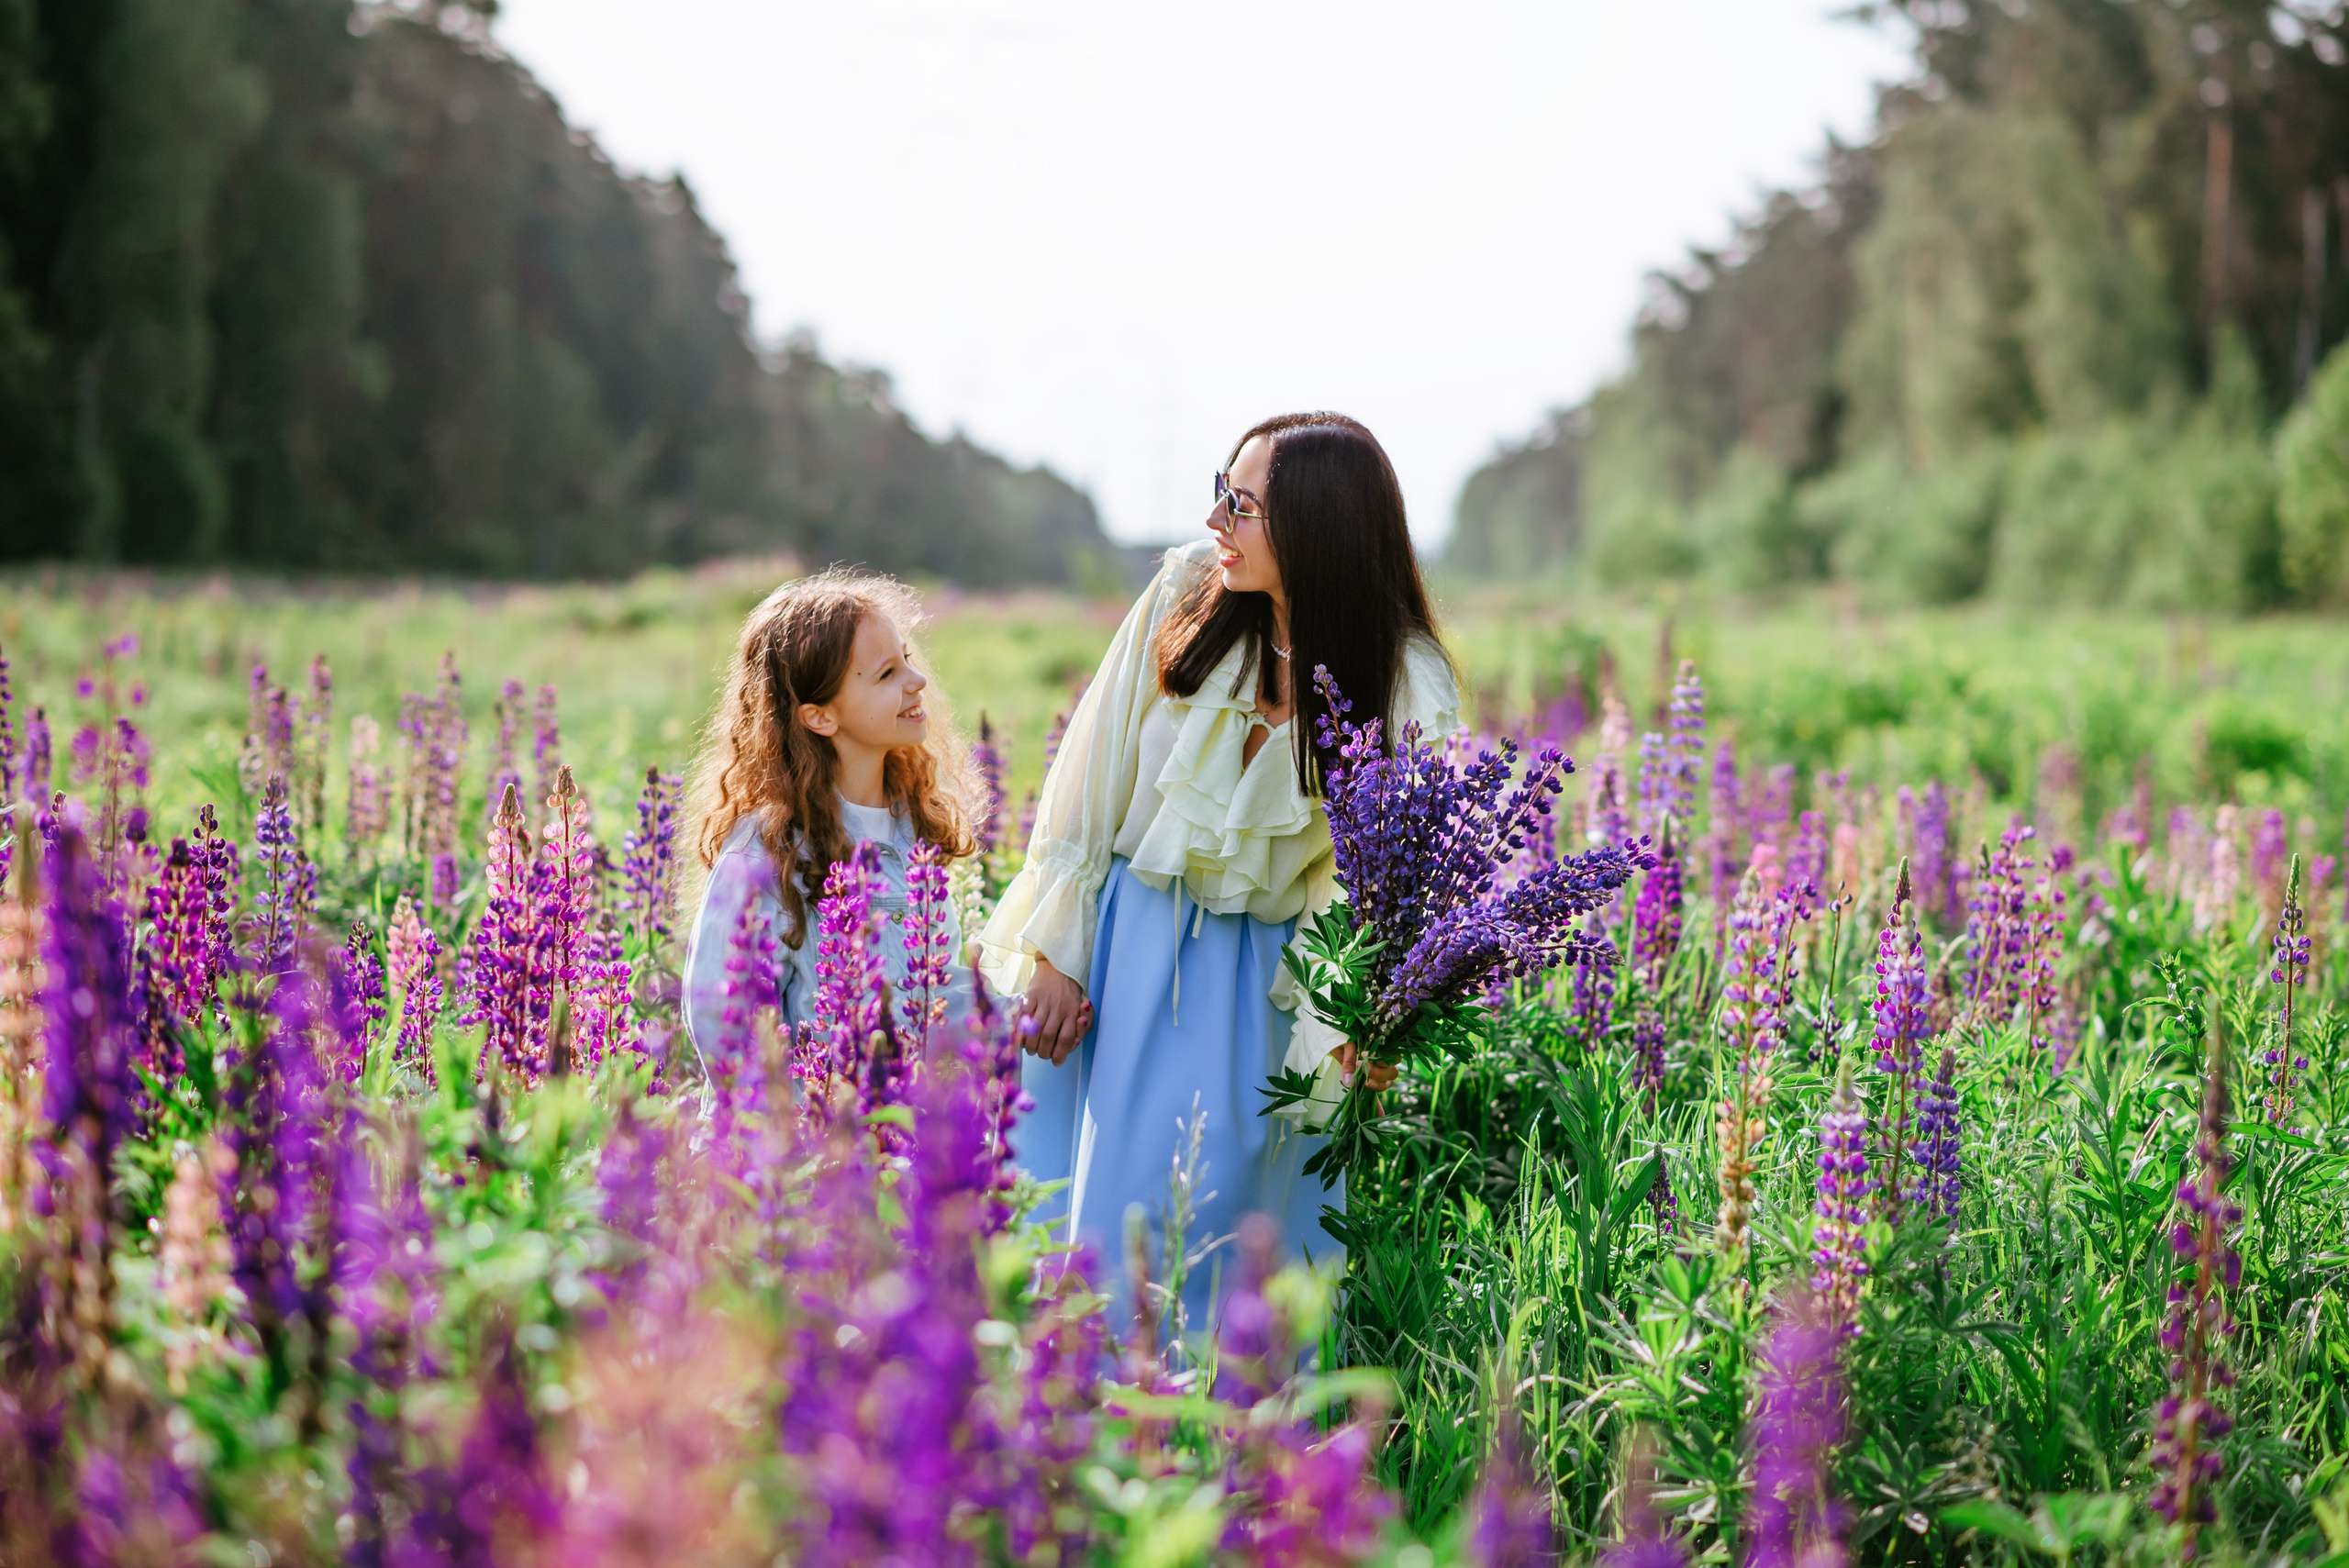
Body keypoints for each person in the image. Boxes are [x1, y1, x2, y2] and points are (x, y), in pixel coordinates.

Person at [978, 412, 1459, 1324]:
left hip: (1270, 984)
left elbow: (1405, 878)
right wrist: (1054, 948)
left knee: (1230, 1227)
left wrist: (1366, 1016)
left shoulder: (1403, 676)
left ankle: (1228, 1443)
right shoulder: (1182, 594)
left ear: (1318, 528)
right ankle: (1082, 1425)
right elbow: (1089, 769)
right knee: (1102, 1214)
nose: (1216, 522)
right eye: (1219, 492)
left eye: (1242, 506)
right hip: (1127, 947)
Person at [682, 571, 976, 1055]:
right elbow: (724, 1030)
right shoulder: (765, 855)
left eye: (906, 659)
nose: (917, 679)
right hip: (807, 1124)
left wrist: (1022, 1013)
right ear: (820, 715)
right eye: (887, 674)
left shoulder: (915, 828)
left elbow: (931, 996)